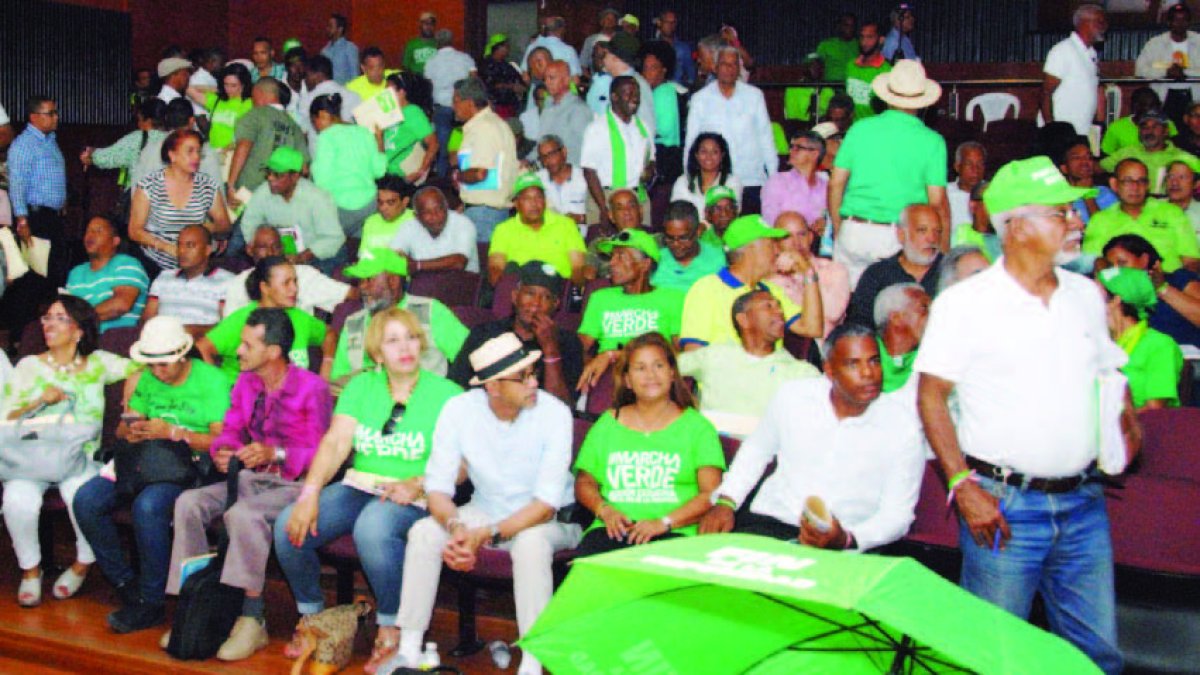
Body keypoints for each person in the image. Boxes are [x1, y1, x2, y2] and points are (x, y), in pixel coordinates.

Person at [915, 156, 1139, 674]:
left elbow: (1109, 373)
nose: (1076, 221)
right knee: (994, 657)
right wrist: (961, 485)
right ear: (1013, 227)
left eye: (1073, 211)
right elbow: (930, 398)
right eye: (1060, 213)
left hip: (1083, 504)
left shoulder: (1085, 295)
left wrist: (1127, 428)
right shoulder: (965, 305)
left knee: (1097, 657)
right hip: (1004, 508)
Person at [277, 308, 461, 672]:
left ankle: (391, 624)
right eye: (392, 341)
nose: (405, 347)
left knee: (373, 528)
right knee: (289, 526)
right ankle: (313, 616)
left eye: (410, 337)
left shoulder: (448, 395)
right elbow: (336, 443)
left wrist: (418, 483)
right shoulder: (361, 387)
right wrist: (309, 493)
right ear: (378, 353)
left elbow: (465, 463)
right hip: (361, 485)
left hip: (418, 492)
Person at [388, 333, 581, 675]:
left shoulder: (555, 413)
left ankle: (533, 661)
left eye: (533, 372)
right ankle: (409, 649)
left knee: (532, 546)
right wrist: (456, 528)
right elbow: (438, 489)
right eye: (522, 377)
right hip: (485, 508)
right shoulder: (459, 410)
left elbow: (546, 505)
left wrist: (485, 534)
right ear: (492, 386)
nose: (533, 382)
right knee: (423, 532)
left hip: (549, 522)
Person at [163, 308, 332, 662]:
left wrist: (277, 453)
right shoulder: (246, 383)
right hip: (248, 478)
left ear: (272, 351)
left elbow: (321, 451)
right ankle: (195, 607)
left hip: (292, 484)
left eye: (246, 344)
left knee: (244, 515)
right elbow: (229, 430)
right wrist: (224, 451)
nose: (237, 350)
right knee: (188, 504)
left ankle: (252, 619)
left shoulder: (311, 388)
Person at [699, 323, 925, 549]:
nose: (868, 373)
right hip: (773, 523)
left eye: (874, 361)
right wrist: (726, 501)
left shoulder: (902, 425)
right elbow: (756, 451)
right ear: (829, 370)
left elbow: (897, 515)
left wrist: (847, 539)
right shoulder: (793, 397)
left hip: (846, 540)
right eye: (853, 364)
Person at [73, 316, 231, 633]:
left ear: (182, 356)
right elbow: (126, 422)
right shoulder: (147, 377)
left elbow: (221, 440)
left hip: (188, 462)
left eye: (164, 365)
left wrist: (173, 431)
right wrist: (130, 429)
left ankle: (152, 601)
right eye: (152, 365)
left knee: (148, 506)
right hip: (143, 458)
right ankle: (127, 584)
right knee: (86, 500)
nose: (157, 371)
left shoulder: (211, 380)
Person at [2, 296, 136, 607]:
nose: (48, 324)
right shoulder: (29, 365)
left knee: (84, 498)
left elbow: (143, 365)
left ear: (78, 330)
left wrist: (130, 402)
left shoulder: (99, 362)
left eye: (59, 318)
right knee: (18, 500)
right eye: (47, 318)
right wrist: (38, 401)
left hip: (79, 457)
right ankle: (31, 571)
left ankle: (82, 564)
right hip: (30, 456)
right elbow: (6, 418)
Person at [574, 332, 723, 557]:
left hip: (674, 533)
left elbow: (710, 494)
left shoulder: (698, 427)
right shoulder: (607, 424)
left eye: (658, 365)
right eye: (640, 368)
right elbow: (584, 483)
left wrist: (663, 522)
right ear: (627, 380)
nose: (650, 375)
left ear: (672, 373)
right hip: (613, 531)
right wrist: (605, 511)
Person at [829, 60, 948, 287]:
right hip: (897, 236)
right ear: (922, 101)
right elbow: (937, 202)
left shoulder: (859, 129)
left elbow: (836, 184)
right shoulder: (933, 141)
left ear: (887, 96)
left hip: (854, 230)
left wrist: (838, 226)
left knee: (847, 308)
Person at [679, 290, 819, 437]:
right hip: (709, 453)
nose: (779, 311)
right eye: (768, 306)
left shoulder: (800, 373)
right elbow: (666, 370)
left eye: (779, 306)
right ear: (743, 320)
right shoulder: (714, 356)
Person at [325, 248, 468, 389]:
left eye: (369, 279)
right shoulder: (353, 324)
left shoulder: (430, 312)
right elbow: (339, 380)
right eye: (360, 281)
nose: (362, 287)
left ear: (393, 281)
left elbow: (469, 357)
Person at [448, 262, 584, 406]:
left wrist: (550, 349)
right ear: (515, 296)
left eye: (546, 297)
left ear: (555, 305)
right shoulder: (485, 333)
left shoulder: (568, 343)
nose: (536, 304)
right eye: (530, 293)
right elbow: (456, 385)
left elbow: (561, 408)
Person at [681, 215, 822, 350]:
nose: (777, 250)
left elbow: (812, 328)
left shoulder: (771, 291)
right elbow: (694, 352)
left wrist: (808, 272)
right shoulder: (707, 289)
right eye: (771, 244)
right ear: (750, 250)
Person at [577, 230, 685, 388]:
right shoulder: (601, 298)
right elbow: (580, 347)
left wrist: (614, 355)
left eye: (621, 256)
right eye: (612, 256)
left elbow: (680, 356)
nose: (612, 263)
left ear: (645, 264)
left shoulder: (673, 299)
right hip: (608, 380)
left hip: (653, 381)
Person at [198, 257, 327, 381]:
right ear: (265, 287)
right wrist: (217, 389)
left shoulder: (300, 318)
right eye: (286, 283)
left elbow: (329, 335)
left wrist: (328, 363)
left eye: (295, 281)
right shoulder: (243, 320)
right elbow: (202, 348)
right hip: (241, 398)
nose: (294, 289)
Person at [684, 45, 775, 214]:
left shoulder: (755, 96)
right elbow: (691, 142)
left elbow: (766, 138)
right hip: (716, 183)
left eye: (734, 64)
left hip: (752, 181)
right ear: (716, 67)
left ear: (739, 68)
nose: (729, 69)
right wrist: (689, 179)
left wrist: (773, 179)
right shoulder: (700, 99)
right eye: (724, 64)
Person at [129, 128, 230, 276]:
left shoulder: (207, 185)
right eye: (190, 151)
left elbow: (225, 225)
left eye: (198, 152)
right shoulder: (149, 185)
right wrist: (165, 247)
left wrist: (208, 228)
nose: (196, 157)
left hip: (195, 265)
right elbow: (134, 231)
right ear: (172, 155)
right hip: (153, 263)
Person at [238, 146, 347, 275]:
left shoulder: (317, 198)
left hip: (316, 257)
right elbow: (249, 224)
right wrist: (261, 248)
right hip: (280, 255)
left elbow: (334, 238)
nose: (270, 178)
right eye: (268, 172)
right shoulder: (263, 193)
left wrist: (302, 257)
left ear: (295, 176)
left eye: (278, 174)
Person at [1083, 158, 1200, 273]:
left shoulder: (1171, 212)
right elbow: (1093, 263)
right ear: (1114, 184)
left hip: (1170, 282)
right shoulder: (1100, 220)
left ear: (1148, 185)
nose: (1135, 187)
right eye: (1128, 181)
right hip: (1120, 284)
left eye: (1141, 181)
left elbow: (1191, 261)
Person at [1097, 266, 1183, 410]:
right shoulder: (1095, 343)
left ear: (1116, 300)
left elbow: (1155, 409)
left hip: (1143, 429)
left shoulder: (1159, 345)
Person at [847, 204, 944, 328]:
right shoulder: (877, 275)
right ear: (901, 235)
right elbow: (859, 326)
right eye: (922, 230)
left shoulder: (951, 270)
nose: (932, 239)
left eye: (937, 231)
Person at [223, 226, 351, 317]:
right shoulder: (237, 284)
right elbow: (230, 330)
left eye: (276, 247)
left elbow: (348, 294)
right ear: (250, 250)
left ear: (282, 249)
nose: (271, 253)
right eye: (263, 247)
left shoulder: (303, 274)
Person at [9, 96, 69, 289]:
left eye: (55, 112)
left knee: (53, 272)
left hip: (52, 217)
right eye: (50, 113)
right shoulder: (24, 145)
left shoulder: (50, 140)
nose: (56, 117)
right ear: (34, 117)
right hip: (35, 217)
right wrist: (22, 220)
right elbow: (17, 184)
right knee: (35, 275)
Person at [581, 75, 655, 230]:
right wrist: (604, 208)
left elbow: (651, 158)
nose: (634, 98)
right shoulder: (597, 128)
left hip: (637, 198)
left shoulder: (643, 127)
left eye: (637, 94)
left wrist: (649, 170)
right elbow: (589, 171)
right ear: (614, 97)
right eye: (628, 93)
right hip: (606, 197)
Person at [310, 93, 386, 242]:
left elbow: (321, 182)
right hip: (370, 204)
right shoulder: (363, 132)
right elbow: (380, 171)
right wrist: (379, 140)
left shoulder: (326, 137)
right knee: (363, 247)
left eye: (314, 122)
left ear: (323, 115)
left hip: (341, 208)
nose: (315, 128)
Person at [1103, 234, 1200, 347]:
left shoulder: (1179, 279)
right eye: (1111, 266)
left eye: (1122, 263)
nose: (1117, 271)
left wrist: (1163, 289)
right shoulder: (1115, 294)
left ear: (1144, 259)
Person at [226, 77, 310, 207]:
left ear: (259, 93)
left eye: (253, 97)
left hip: (250, 190)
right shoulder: (294, 126)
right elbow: (304, 168)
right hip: (279, 194)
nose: (252, 101)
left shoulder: (255, 115)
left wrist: (230, 184)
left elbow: (243, 146)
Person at [488, 173, 586, 284]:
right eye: (527, 198)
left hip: (557, 289)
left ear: (545, 200)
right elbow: (496, 269)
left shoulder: (566, 225)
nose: (534, 204)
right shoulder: (503, 230)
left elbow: (578, 267)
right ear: (516, 203)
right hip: (520, 291)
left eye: (538, 197)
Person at [454, 77, 519, 242]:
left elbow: (479, 173)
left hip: (484, 215)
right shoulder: (493, 124)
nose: (453, 107)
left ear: (469, 103)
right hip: (486, 211)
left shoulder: (483, 128)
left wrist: (458, 177)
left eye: (456, 101)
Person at [771, 211, 849, 339]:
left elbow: (832, 313)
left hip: (826, 349)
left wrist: (806, 271)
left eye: (801, 234)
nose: (796, 242)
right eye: (786, 236)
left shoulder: (834, 269)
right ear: (775, 245)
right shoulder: (771, 279)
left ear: (811, 238)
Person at [142, 224, 233, 334]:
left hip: (201, 345)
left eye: (190, 245)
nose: (182, 251)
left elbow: (228, 326)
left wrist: (186, 331)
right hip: (162, 342)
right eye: (179, 245)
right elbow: (147, 321)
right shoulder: (164, 277)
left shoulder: (227, 281)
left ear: (207, 250)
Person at [66, 216, 149, 333]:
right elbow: (68, 311)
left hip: (120, 340)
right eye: (88, 231)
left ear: (115, 241)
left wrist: (81, 319)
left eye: (98, 231)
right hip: (84, 340)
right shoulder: (76, 273)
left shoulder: (127, 264)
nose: (90, 235)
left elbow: (121, 305)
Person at [1100, 107, 1200, 196]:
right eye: (1144, 127)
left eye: (1155, 127)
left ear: (1166, 131)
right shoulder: (1127, 152)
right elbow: (1100, 168)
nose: (1149, 131)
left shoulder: (1183, 158)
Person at [80, 99, 168, 199]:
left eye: (139, 119)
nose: (138, 124)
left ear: (148, 121)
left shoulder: (138, 139)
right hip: (167, 205)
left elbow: (109, 157)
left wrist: (91, 153)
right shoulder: (176, 140)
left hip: (141, 202)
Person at [1043, 4, 1106, 135]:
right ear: (1084, 23)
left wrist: (1100, 123)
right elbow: (1045, 93)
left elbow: (1095, 91)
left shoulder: (1092, 54)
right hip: (1061, 133)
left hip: (1084, 131)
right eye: (1100, 22)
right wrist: (1051, 129)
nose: (1104, 26)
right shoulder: (1063, 51)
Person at [1135, 2, 1200, 127]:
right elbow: (1140, 70)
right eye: (1176, 20)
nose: (1180, 24)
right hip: (1164, 97)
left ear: (1189, 22)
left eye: (1184, 20)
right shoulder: (1154, 43)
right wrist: (1165, 73)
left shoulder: (1199, 41)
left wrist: (1185, 73)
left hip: (1194, 96)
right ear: (1169, 22)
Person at [390, 185, 480, 273]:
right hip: (423, 285)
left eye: (439, 209)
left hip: (460, 284)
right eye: (427, 213)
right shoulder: (409, 226)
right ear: (417, 216)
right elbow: (395, 256)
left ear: (446, 207)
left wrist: (418, 265)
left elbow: (459, 263)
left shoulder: (462, 223)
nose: (435, 216)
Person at [425, 29, 478, 177]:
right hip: (465, 107)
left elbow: (428, 85)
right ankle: (465, 175)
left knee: (443, 148)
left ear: (437, 43)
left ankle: (443, 181)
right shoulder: (465, 58)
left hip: (441, 108)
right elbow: (474, 80)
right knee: (467, 143)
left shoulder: (431, 62)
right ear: (451, 41)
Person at [873, 282, 931, 405]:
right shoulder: (866, 355)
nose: (933, 315)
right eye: (924, 308)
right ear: (896, 318)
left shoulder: (932, 359)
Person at [652, 200, 727, 293]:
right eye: (670, 238)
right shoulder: (656, 260)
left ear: (698, 232)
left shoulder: (719, 259)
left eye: (683, 238)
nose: (676, 244)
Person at [761, 130, 826, 228]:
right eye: (791, 147)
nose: (791, 151)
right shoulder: (778, 181)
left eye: (798, 148)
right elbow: (770, 220)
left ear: (814, 154)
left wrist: (824, 224)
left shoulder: (826, 187)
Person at [671, 132, 741, 222]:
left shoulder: (732, 182)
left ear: (722, 155)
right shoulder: (683, 182)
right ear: (696, 155)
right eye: (704, 151)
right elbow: (676, 214)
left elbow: (731, 214)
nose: (709, 156)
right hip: (689, 233)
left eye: (714, 152)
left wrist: (703, 227)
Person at [380, 72, 437, 182]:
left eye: (389, 92)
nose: (385, 95)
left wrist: (421, 172)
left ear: (401, 93)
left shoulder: (412, 112)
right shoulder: (388, 112)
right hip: (386, 172)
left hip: (402, 175)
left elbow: (433, 144)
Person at [601, 33, 657, 138]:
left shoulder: (636, 86)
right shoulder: (612, 81)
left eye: (606, 54)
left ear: (615, 58)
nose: (603, 58)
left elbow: (647, 128)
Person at [298, 55, 361, 150]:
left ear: (316, 75)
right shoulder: (354, 96)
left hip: (319, 158)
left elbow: (303, 133)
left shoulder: (306, 100)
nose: (305, 81)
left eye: (306, 75)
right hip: (350, 157)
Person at [535, 60, 592, 166]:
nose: (547, 82)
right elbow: (541, 143)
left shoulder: (578, 110)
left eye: (552, 78)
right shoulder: (548, 107)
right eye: (545, 79)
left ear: (566, 80)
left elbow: (586, 149)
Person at [188, 62, 253, 153]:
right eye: (226, 84)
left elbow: (246, 135)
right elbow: (189, 89)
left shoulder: (250, 104)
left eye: (233, 85)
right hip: (214, 152)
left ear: (243, 85)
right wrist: (217, 89)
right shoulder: (217, 100)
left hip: (233, 153)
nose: (228, 89)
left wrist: (224, 150)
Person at [1099, 88, 1178, 157]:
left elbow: (1174, 150)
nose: (1152, 110)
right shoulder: (1116, 127)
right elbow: (1106, 155)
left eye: (1155, 105)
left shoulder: (1166, 123)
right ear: (1135, 107)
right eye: (1148, 106)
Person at [1059, 136, 1117, 225]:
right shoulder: (1057, 197)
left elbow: (1105, 230)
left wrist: (1088, 196)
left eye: (1089, 157)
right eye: (1076, 158)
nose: (1085, 162)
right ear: (1064, 168)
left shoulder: (1105, 193)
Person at [536, 134, 588, 224]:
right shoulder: (537, 180)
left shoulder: (584, 178)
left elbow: (598, 212)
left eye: (551, 154)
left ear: (564, 151)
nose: (547, 160)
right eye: (543, 157)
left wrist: (581, 218)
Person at [845, 22, 891, 121]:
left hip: (875, 130)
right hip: (853, 128)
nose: (864, 42)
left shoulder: (886, 71)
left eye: (870, 37)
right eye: (862, 37)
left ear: (881, 40)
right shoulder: (851, 65)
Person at [360, 174, 415, 254]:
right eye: (380, 202)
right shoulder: (371, 222)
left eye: (390, 202)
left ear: (405, 201)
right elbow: (364, 257)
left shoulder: (416, 221)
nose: (383, 208)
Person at [480, 34, 526, 118]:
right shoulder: (487, 65)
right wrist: (511, 86)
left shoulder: (508, 65)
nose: (508, 50)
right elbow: (489, 85)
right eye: (506, 47)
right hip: (495, 105)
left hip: (510, 105)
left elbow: (519, 80)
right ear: (498, 48)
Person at [807, 13, 858, 83]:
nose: (849, 29)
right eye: (846, 25)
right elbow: (814, 64)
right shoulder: (826, 45)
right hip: (831, 89)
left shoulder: (861, 45)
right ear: (839, 26)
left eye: (852, 26)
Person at [947, 142, 986, 231]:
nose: (975, 170)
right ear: (957, 167)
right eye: (969, 164)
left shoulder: (993, 192)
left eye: (980, 164)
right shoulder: (944, 194)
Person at [654, 9, 695, 86]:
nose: (670, 25)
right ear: (659, 23)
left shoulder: (683, 48)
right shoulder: (652, 46)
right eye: (667, 22)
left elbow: (691, 76)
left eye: (673, 22)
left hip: (676, 91)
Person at [321, 13, 359, 85]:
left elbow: (355, 76)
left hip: (345, 93)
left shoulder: (349, 48)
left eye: (331, 26)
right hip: (327, 92)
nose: (327, 29)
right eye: (328, 26)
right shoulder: (324, 51)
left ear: (340, 29)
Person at [580, 8, 619, 78]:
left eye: (613, 19)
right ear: (601, 22)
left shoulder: (622, 40)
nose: (610, 22)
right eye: (607, 19)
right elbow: (583, 65)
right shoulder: (590, 40)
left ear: (616, 23)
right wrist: (591, 80)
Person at [1165, 160, 1200, 236]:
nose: (1174, 182)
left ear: (1196, 184)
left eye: (1182, 177)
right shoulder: (1151, 207)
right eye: (1171, 176)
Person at [403, 12, 439, 76]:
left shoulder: (438, 44)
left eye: (431, 24)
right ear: (420, 25)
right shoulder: (411, 44)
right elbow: (405, 66)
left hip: (434, 80)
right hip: (417, 81)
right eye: (426, 24)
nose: (429, 27)